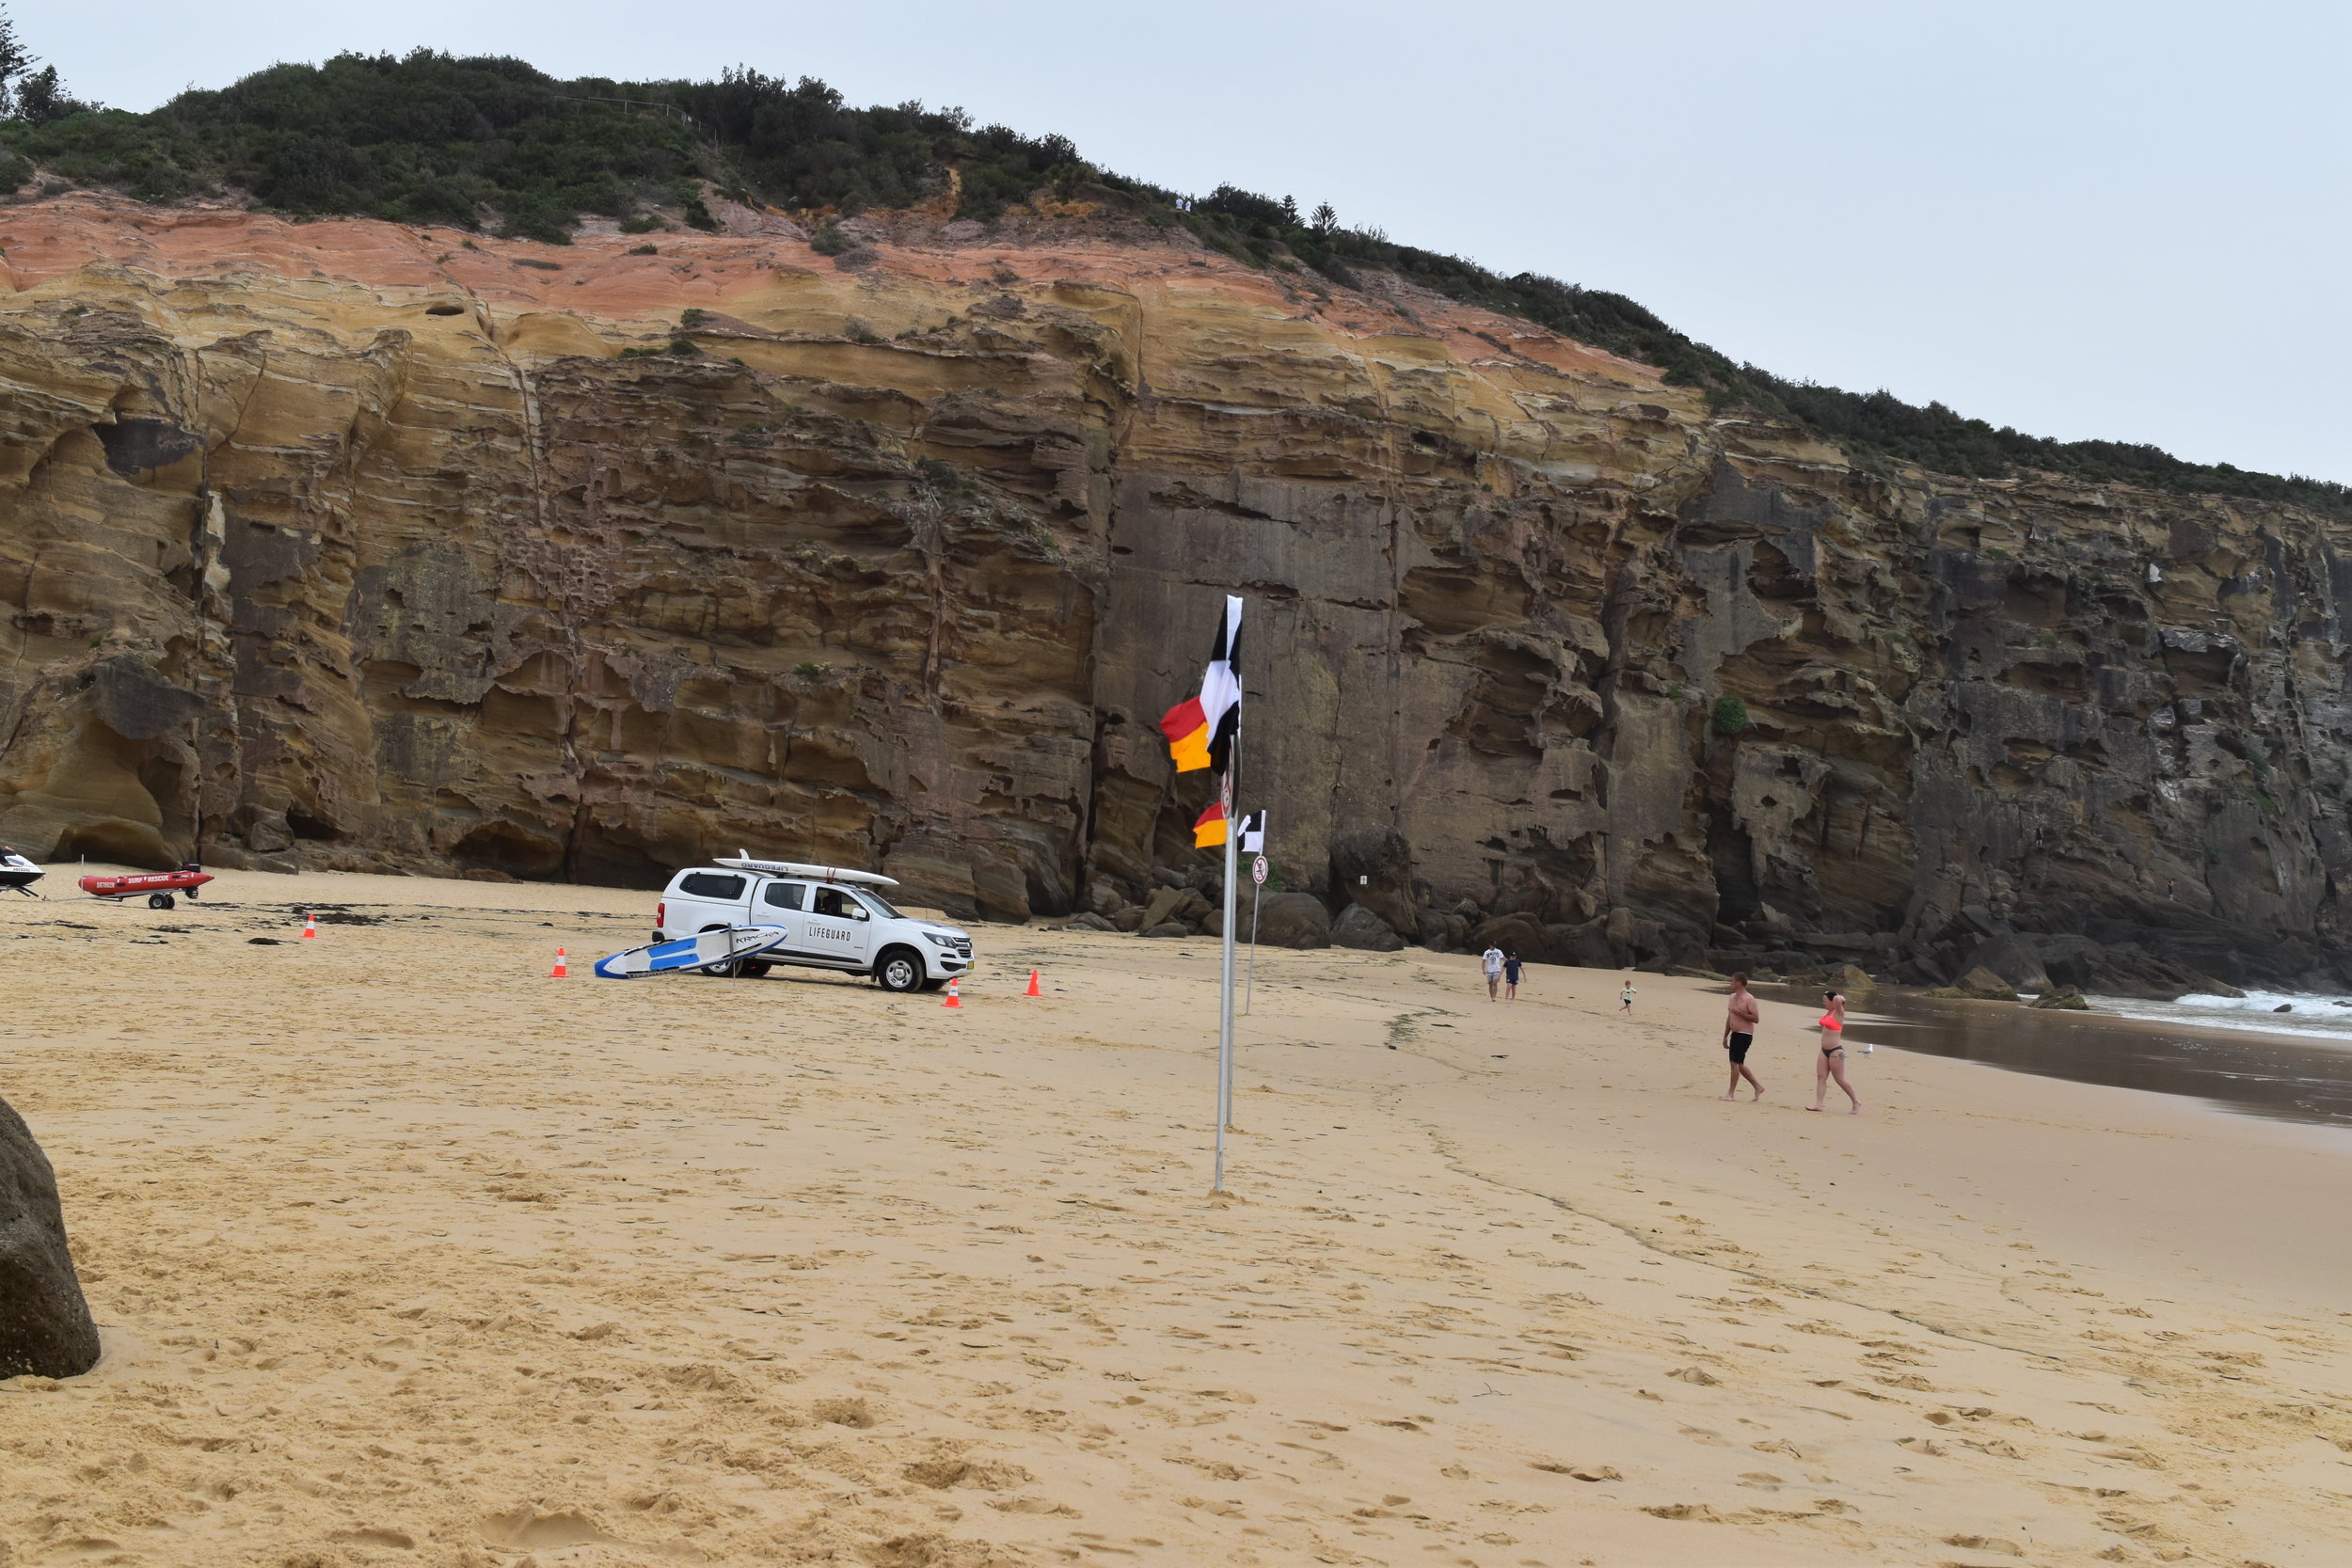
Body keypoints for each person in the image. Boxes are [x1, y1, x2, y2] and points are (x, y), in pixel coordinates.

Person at [1809, 989, 1860, 1114]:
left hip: (1836, 1051)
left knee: (1839, 1079)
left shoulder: (1839, 1012)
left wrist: (1841, 999)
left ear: (1833, 1002)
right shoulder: (1829, 1013)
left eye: (1825, 1001)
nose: (1823, 1003)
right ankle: (1818, 1104)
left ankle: (1856, 1101)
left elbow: (1837, 999)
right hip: (1824, 1050)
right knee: (1821, 1077)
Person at [1720, 973, 1762, 1101]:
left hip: (1744, 1034)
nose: (1731, 983)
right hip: (1734, 1033)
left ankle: (1731, 1093)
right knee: (1739, 1064)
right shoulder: (1732, 997)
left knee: (1734, 1063)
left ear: (1739, 983)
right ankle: (1757, 1086)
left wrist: (1739, 1012)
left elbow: (1756, 1018)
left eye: (1732, 981)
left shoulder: (1749, 999)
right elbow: (1730, 1017)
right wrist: (1725, 1035)